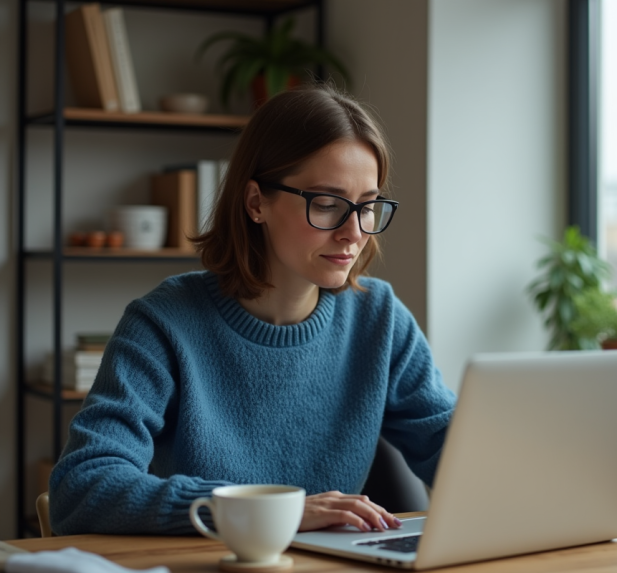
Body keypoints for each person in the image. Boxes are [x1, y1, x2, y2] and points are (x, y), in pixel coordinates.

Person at [49, 84, 457, 536]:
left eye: (367, 206)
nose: (354, 232)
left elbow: (457, 453)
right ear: (256, 202)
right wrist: (276, 511)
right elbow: (82, 486)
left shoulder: (379, 318)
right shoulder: (164, 323)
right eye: (327, 204)